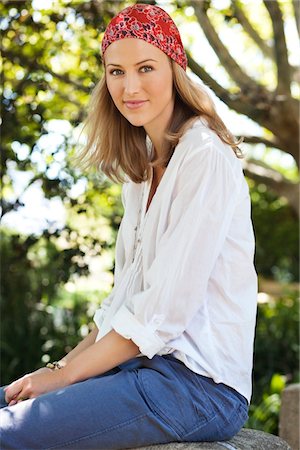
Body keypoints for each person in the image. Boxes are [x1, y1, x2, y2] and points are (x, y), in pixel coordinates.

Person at [0, 4, 258, 449]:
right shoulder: (142, 169)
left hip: (199, 388)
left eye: (145, 68)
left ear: (175, 69)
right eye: (116, 71)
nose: (130, 86)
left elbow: (160, 315)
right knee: (6, 402)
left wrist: (62, 379)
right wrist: (56, 372)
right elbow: (124, 306)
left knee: (10, 431)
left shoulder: (205, 156)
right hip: (144, 369)